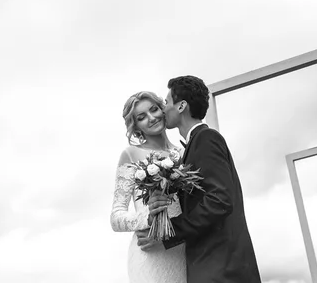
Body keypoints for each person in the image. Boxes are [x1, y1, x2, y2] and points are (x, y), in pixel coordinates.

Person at [136, 75, 261, 283]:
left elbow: (219, 200)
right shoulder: (192, 148)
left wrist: (167, 233)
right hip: (208, 266)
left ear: (181, 106)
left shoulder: (207, 139)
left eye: (167, 102)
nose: (164, 109)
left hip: (222, 268)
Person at [110, 91, 186, 282]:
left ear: (163, 109)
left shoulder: (184, 152)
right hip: (149, 252)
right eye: (142, 117)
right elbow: (116, 217)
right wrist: (148, 218)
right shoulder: (131, 154)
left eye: (154, 109)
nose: (151, 118)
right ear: (136, 126)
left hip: (183, 249)